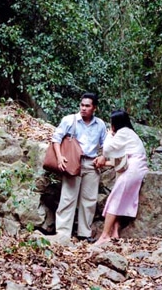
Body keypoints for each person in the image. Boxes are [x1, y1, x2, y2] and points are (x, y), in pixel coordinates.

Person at [50, 93, 107, 242]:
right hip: (73, 162)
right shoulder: (70, 120)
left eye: (87, 106)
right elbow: (56, 138)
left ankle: (84, 233)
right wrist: (59, 157)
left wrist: (103, 157)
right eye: (82, 105)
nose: (83, 108)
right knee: (68, 197)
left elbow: (106, 144)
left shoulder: (100, 124)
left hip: (91, 163)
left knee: (89, 199)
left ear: (94, 108)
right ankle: (62, 233)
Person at [94, 109, 148, 246]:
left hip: (133, 167)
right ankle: (115, 231)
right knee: (120, 197)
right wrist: (103, 163)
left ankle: (104, 235)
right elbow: (119, 160)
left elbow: (107, 149)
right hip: (134, 166)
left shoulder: (123, 132)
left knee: (116, 197)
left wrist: (109, 134)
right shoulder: (129, 133)